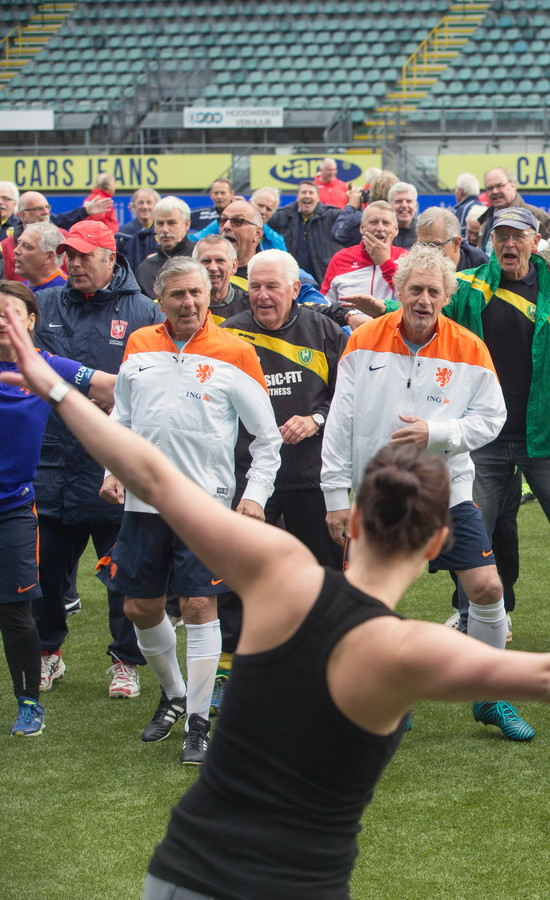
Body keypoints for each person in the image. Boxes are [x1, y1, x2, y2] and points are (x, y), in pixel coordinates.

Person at [0, 289, 550, 899]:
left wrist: (52, 382)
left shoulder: (278, 571)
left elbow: (151, 472)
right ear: (434, 544)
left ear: (353, 520)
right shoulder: (403, 652)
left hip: (177, 872)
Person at [322, 244, 546, 740]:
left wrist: (437, 434)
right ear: (398, 291)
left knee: (487, 588)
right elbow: (340, 421)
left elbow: (492, 419)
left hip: (446, 492)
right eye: (415, 289)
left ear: (448, 296)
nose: (424, 299)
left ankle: (490, 693)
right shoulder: (362, 340)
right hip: (376, 495)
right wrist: (336, 496)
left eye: (434, 291)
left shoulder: (469, 346)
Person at [100, 257, 281, 764]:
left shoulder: (236, 351)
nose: (189, 303)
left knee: (201, 608)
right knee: (139, 608)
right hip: (143, 502)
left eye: (197, 293)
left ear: (210, 295)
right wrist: (111, 469)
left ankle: (198, 724)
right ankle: (177, 695)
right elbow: (122, 417)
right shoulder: (139, 345)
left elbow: (267, 440)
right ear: (161, 299)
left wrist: (254, 496)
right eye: (178, 294)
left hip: (206, 507)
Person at [407, 206, 550, 643]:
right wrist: (381, 312)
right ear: (491, 243)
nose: (509, 245)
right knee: (470, 527)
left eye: (519, 237)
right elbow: (422, 307)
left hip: (546, 438)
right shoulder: (469, 289)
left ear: (536, 242)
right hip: (482, 437)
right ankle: (468, 617)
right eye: (501, 237)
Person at [32, 220, 163, 699]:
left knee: (121, 572)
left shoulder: (143, 309)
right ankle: (49, 654)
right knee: (46, 573)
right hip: (51, 461)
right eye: (70, 254)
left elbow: (153, 379)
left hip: (113, 464)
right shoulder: (42, 305)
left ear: (112, 258)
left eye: (86, 255)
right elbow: (30, 368)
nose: (75, 263)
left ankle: (125, 661)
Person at [214, 250, 347, 712]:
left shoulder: (325, 331)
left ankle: (332, 660)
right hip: (250, 480)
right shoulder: (228, 334)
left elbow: (347, 400)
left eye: (273, 286)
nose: (263, 295)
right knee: (239, 573)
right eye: (255, 286)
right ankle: (231, 668)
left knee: (325, 572)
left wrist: (315, 418)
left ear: (296, 289)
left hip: (313, 477)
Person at [0, 281, 115, 735]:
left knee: (14, 610)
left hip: (13, 508)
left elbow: (108, 385)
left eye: (10, 314)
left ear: (30, 320)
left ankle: (29, 704)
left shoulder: (48, 368)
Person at [476, 168, 550, 275]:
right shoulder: (487, 221)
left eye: (499, 186)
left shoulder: (534, 216)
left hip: (531, 288)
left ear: (512, 186)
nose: (494, 191)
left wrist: (531, 263)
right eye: (489, 188)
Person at [321, 201, 407, 306]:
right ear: (362, 228)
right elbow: (325, 303)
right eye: (373, 222)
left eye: (386, 223)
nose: (380, 228)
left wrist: (385, 262)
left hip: (388, 322)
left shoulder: (405, 258)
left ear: (396, 229)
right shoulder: (341, 258)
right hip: (348, 321)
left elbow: (407, 296)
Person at [269, 181, 343, 280]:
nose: (307, 196)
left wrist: (355, 205)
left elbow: (352, 222)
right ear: (297, 197)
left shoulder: (331, 215)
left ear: (318, 198)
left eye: (311, 193)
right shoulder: (281, 216)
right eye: (303, 192)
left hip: (322, 281)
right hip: (289, 279)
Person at [135, 197, 195, 296]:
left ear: (187, 224)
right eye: (160, 224)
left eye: (171, 223)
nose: (165, 229)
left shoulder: (202, 258)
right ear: (154, 227)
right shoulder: (145, 270)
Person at [333, 181, 418, 251]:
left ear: (416, 206)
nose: (404, 205)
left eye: (409, 201)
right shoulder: (374, 231)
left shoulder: (423, 232)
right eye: (398, 201)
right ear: (389, 205)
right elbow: (338, 235)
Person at [192, 235, 251, 324]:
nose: (213, 268)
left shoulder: (251, 306)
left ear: (234, 266)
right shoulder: (185, 306)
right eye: (206, 261)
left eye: (220, 260)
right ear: (194, 266)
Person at [415, 205, 488, 271]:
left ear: (456, 243)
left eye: (435, 246)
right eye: (422, 245)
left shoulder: (481, 267)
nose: (427, 252)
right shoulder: (413, 266)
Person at [117, 187, 161, 270]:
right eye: (141, 203)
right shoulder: (123, 235)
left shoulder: (163, 232)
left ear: (156, 206)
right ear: (134, 206)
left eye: (149, 202)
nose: (145, 207)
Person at [13, 222, 65, 292]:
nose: (16, 250)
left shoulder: (66, 292)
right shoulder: (21, 290)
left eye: (26, 246)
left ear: (49, 257)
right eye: (18, 243)